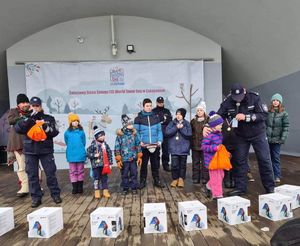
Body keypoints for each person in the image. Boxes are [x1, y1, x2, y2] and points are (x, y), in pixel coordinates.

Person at [217, 83, 275, 196]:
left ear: (244, 91)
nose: (238, 100)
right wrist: (208, 126)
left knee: (264, 159)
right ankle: (240, 188)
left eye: (240, 97)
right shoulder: (228, 101)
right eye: (235, 98)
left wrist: (246, 117)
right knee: (239, 161)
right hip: (241, 135)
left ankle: (270, 187)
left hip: (258, 133)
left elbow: (263, 115)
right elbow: (219, 115)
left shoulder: (254, 97)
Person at [15, 96, 61, 207]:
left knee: (50, 173)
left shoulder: (48, 118)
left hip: (46, 150)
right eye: (33, 106)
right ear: (30, 106)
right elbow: (17, 129)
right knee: (32, 175)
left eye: (37, 106)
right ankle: (36, 197)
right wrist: (29, 120)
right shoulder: (25, 118)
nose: (35, 108)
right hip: (30, 151)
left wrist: (44, 125)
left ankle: (55, 194)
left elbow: (55, 131)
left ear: (41, 106)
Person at [134, 98, 165, 189]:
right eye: (147, 106)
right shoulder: (138, 118)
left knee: (155, 164)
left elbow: (159, 131)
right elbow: (136, 132)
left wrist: (159, 140)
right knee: (143, 165)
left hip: (155, 145)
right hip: (144, 146)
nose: (149, 107)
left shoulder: (156, 117)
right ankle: (142, 181)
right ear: (143, 106)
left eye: (150, 106)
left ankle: (157, 180)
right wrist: (140, 141)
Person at [7, 93, 30, 197]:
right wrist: (21, 118)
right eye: (22, 102)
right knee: (22, 166)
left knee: (34, 166)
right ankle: (25, 187)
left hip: (31, 142)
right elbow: (10, 121)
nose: (25, 104)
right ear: (18, 104)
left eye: (26, 102)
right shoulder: (13, 111)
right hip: (18, 143)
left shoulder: (31, 112)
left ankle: (36, 185)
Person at [114, 114, 143, 195]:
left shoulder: (135, 134)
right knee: (124, 174)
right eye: (129, 124)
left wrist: (139, 154)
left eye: (132, 123)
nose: (131, 125)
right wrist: (118, 157)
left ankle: (134, 187)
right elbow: (117, 146)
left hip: (133, 158)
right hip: (124, 159)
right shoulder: (120, 135)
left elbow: (138, 144)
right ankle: (125, 187)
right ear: (125, 125)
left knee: (134, 173)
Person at [266, 93, 289, 183]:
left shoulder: (284, 113)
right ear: (272, 101)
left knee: (275, 157)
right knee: (267, 158)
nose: (275, 102)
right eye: (274, 100)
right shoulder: (268, 112)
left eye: (277, 100)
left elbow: (286, 126)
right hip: (267, 139)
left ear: (280, 102)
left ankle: (276, 175)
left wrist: (282, 138)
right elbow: (264, 125)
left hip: (277, 140)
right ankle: (269, 175)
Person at [166, 108, 192, 188]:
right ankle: (175, 179)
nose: (178, 116)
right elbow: (167, 132)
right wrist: (176, 127)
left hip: (184, 148)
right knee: (174, 165)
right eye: (177, 114)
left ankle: (181, 179)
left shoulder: (187, 124)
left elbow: (189, 134)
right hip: (174, 148)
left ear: (183, 115)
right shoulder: (172, 123)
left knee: (182, 165)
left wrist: (182, 128)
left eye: (180, 114)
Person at [201, 112, 225, 199]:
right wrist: (214, 148)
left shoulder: (219, 134)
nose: (222, 126)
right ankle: (217, 195)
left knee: (221, 175)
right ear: (214, 126)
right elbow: (204, 147)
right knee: (216, 177)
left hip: (218, 159)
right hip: (211, 161)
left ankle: (208, 186)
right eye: (220, 125)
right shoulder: (208, 135)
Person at [87, 126, 113, 199]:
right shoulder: (93, 145)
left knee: (104, 178)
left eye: (103, 135)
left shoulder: (105, 145)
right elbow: (88, 153)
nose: (102, 137)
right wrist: (94, 155)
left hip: (104, 165)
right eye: (100, 136)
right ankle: (97, 191)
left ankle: (105, 191)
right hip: (96, 166)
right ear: (96, 137)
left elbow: (109, 154)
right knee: (96, 178)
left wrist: (110, 163)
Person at [64, 113, 86, 194]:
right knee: (73, 171)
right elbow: (67, 142)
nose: (76, 122)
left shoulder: (81, 132)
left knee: (80, 171)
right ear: (70, 122)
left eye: (77, 121)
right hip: (71, 155)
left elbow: (83, 142)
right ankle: (74, 187)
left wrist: (81, 150)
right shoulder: (67, 133)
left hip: (80, 154)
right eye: (74, 121)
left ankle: (80, 187)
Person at [190, 101, 209, 184]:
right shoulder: (193, 121)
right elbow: (191, 132)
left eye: (201, 110)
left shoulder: (208, 120)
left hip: (205, 145)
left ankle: (205, 178)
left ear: (204, 111)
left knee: (205, 163)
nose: (199, 112)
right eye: (198, 110)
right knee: (195, 162)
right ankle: (195, 178)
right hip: (195, 145)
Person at [152, 96, 172, 172]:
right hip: (156, 134)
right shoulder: (153, 111)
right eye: (159, 102)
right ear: (156, 102)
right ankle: (156, 166)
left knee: (166, 151)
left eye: (161, 102)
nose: (160, 103)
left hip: (166, 134)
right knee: (156, 151)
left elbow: (169, 121)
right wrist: (163, 120)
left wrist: (163, 121)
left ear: (163, 102)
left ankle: (166, 165)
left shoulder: (167, 111)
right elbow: (153, 122)